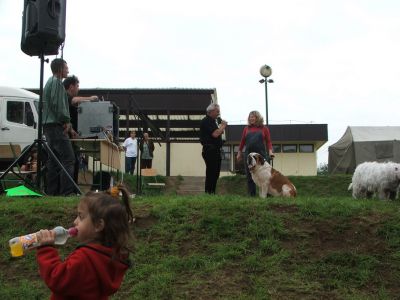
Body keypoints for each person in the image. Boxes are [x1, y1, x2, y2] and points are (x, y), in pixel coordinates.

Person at [36, 185, 134, 299]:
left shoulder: (84, 257)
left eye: (80, 217)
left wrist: (46, 250)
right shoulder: (111, 256)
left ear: (98, 225)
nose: (75, 221)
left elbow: (57, 279)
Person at [42, 58, 76, 196]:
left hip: (48, 126)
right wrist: (66, 120)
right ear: (60, 69)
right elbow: (58, 106)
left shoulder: (50, 82)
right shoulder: (56, 83)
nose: (68, 70)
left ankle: (52, 193)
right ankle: (66, 193)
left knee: (53, 161)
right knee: (68, 158)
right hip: (56, 126)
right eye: (66, 67)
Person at [63, 75, 98, 183]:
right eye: (77, 86)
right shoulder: (65, 97)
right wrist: (90, 99)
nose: (78, 88)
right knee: (71, 161)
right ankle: (69, 187)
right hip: (67, 136)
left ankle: (73, 186)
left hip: (73, 135)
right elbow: (74, 100)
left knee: (75, 161)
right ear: (71, 86)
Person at [236, 110, 274, 197]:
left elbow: (268, 142)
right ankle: (251, 195)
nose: (251, 118)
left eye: (253, 116)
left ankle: (268, 195)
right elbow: (242, 142)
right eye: (250, 117)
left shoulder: (264, 128)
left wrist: (270, 152)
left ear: (257, 118)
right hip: (248, 155)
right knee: (250, 176)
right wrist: (239, 153)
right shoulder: (246, 129)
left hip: (261, 155)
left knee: (265, 175)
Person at [199, 103, 227, 194]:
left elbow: (217, 133)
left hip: (215, 150)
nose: (218, 113)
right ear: (210, 111)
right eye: (217, 111)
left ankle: (212, 192)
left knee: (215, 173)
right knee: (211, 172)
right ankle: (208, 192)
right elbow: (215, 134)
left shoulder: (213, 121)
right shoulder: (206, 121)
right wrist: (222, 126)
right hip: (210, 150)